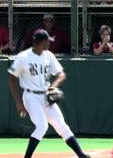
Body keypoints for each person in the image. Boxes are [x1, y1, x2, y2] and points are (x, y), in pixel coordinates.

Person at [7, 29, 91, 158]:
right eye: (48, 41)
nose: (49, 43)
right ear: (42, 42)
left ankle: (81, 155)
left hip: (46, 95)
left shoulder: (48, 55)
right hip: (31, 96)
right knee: (42, 126)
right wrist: (18, 102)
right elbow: (12, 79)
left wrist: (53, 86)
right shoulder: (23, 57)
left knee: (62, 126)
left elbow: (61, 74)